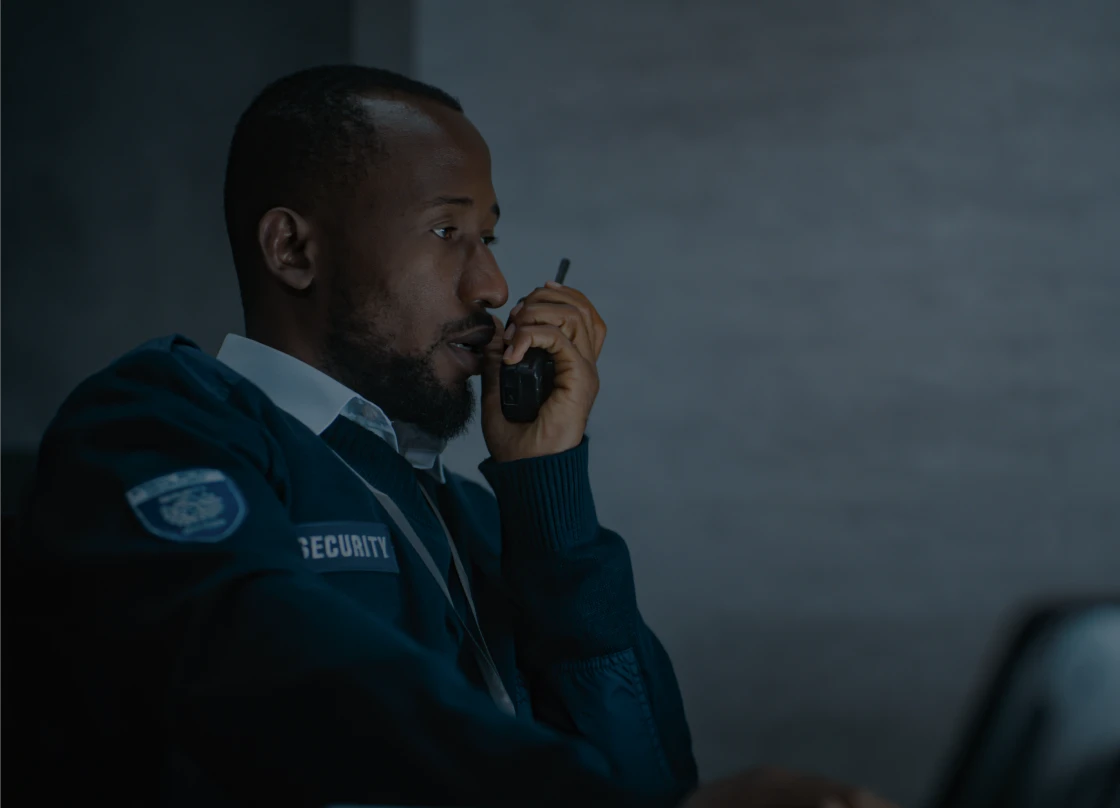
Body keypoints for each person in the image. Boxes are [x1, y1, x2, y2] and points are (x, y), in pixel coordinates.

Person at [8, 66, 897, 808]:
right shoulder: (160, 421)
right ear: (292, 251)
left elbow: (653, 776)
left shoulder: (477, 517)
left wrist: (550, 497)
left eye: (490, 238)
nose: (493, 285)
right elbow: (262, 657)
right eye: (447, 231)